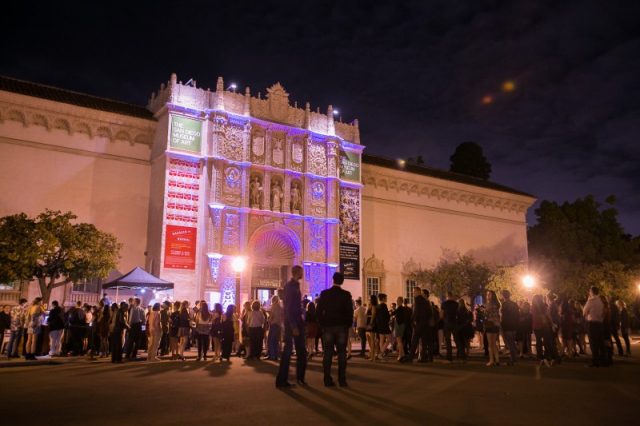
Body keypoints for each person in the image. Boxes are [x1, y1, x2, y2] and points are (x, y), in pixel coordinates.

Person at [316, 272, 353, 387]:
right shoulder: (346, 295)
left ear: (333, 280)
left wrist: (322, 324)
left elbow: (318, 311)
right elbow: (350, 312)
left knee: (327, 353)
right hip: (341, 326)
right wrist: (348, 325)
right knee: (342, 353)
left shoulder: (325, 293)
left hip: (328, 327)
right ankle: (342, 379)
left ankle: (327, 379)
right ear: (342, 281)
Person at [276, 265, 307, 388]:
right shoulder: (290, 287)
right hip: (292, 323)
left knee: (301, 352)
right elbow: (288, 308)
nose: (303, 274)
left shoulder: (296, 286)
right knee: (288, 352)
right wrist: (293, 325)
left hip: (296, 322)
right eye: (301, 272)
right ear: (297, 272)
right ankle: (282, 380)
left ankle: (300, 378)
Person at [410, 286, 433, 363]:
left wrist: (413, 320)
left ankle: (411, 357)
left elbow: (416, 311)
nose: (413, 294)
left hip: (418, 324)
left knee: (414, 341)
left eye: (414, 292)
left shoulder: (417, 300)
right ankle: (423, 357)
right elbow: (430, 313)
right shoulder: (426, 301)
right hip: (425, 324)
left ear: (418, 292)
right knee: (424, 342)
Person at [583, 286, 604, 367]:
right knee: (600, 343)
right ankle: (602, 360)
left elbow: (584, 311)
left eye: (589, 291)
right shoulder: (600, 300)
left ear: (591, 292)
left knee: (593, 343)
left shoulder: (591, 301)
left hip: (592, 324)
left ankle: (595, 361)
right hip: (600, 323)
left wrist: (588, 300)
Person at [532, 294, 555, 367]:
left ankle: (540, 357)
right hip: (544, 326)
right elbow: (548, 316)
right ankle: (546, 357)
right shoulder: (544, 306)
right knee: (546, 342)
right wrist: (552, 324)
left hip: (536, 326)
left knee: (538, 342)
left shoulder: (532, 307)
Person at [500, 290, 520, 366]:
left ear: (503, 296)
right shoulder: (514, 304)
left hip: (507, 326)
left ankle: (513, 359)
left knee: (510, 343)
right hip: (514, 326)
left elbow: (503, 317)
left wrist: (502, 325)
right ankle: (514, 358)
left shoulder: (504, 304)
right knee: (513, 343)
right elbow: (518, 315)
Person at [440, 292, 459, 363]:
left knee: (448, 341)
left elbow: (441, 315)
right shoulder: (456, 304)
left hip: (447, 323)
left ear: (447, 296)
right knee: (457, 340)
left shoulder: (444, 304)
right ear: (452, 296)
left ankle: (449, 358)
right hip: (454, 323)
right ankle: (461, 356)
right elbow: (458, 314)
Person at [484, 290, 501, 367]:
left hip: (490, 324)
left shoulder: (489, 304)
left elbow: (486, 314)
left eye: (489, 294)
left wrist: (483, 312)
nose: (487, 296)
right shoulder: (497, 304)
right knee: (494, 343)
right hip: (496, 324)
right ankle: (497, 359)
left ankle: (491, 360)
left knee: (490, 344)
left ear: (492, 296)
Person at [393, 296, 410, 362]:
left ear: (400, 301)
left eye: (397, 300)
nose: (396, 301)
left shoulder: (400, 308)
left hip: (399, 326)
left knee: (399, 341)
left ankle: (402, 355)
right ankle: (401, 354)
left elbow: (393, 313)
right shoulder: (401, 308)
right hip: (401, 325)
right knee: (400, 341)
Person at [266, 295, 283, 361]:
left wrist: (269, 320)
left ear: (273, 300)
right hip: (279, 325)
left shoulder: (274, 306)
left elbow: (272, 315)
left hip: (274, 324)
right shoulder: (280, 307)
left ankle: (272, 355)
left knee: (270, 340)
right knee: (276, 341)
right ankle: (276, 355)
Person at [376, 294, 391, 358]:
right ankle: (381, 352)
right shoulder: (384, 305)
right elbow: (386, 316)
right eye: (386, 297)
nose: (386, 298)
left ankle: (381, 354)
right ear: (383, 298)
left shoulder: (378, 306)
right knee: (389, 339)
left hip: (379, 325)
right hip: (384, 324)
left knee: (381, 339)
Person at [365, 295, 379, 361]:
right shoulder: (370, 305)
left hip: (372, 323)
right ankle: (372, 353)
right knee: (369, 338)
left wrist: (370, 323)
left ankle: (373, 356)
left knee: (372, 339)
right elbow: (366, 314)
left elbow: (373, 315)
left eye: (370, 298)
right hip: (369, 323)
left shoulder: (374, 306)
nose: (369, 299)